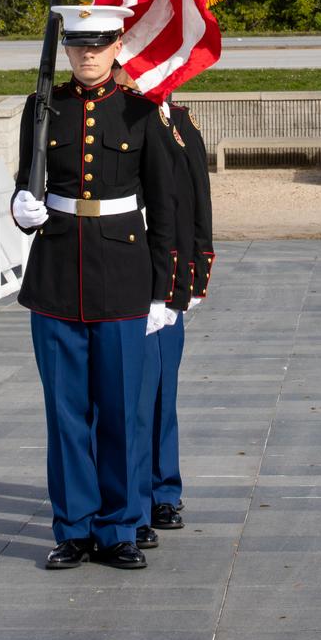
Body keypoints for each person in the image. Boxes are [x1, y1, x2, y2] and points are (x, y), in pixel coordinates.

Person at [11, 4, 177, 571]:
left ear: (115, 48)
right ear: (67, 50)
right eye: (78, 45)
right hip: (56, 275)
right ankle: (74, 529)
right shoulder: (41, 108)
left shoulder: (140, 112)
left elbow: (164, 205)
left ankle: (120, 527)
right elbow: (24, 185)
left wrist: (163, 291)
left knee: (123, 410)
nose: (87, 54)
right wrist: (21, 208)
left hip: (124, 278)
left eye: (98, 44)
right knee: (65, 413)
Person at [114, 68, 213, 548]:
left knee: (160, 396)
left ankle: (162, 490)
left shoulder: (179, 123)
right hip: (127, 278)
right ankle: (129, 499)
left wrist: (193, 274)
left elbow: (196, 201)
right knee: (130, 400)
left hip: (167, 280)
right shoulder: (124, 122)